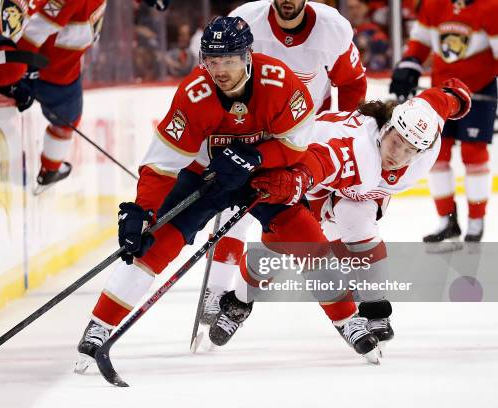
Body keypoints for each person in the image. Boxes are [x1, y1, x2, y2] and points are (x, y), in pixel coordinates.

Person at [74, 16, 382, 371]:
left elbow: (297, 146)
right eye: (212, 60)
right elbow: (162, 163)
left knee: (304, 234)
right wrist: (140, 210)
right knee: (154, 243)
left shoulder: (280, 83)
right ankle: (100, 326)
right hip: (206, 176)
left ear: (248, 56)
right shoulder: (194, 93)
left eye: (229, 60)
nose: (219, 70)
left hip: (263, 175)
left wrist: (256, 157)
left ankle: (348, 319)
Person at [222, 78, 472, 353]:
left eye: (409, 150)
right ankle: (239, 302)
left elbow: (440, 99)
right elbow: (321, 161)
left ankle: (375, 309)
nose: (397, 155)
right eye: (395, 141)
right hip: (312, 173)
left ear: (421, 152)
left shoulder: (426, 132)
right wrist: (296, 179)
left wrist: (457, 96)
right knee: (277, 251)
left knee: (358, 223)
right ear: (387, 127)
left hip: (358, 189)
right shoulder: (360, 148)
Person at [199, 0, 368, 330]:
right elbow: (214, 78)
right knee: (236, 211)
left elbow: (352, 83)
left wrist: (336, 127)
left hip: (300, 136)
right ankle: (216, 290)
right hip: (247, 129)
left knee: (317, 213)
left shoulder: (332, 28)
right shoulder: (245, 20)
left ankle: (346, 282)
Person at [0, 0, 169, 193]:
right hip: (39, 64)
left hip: (63, 71)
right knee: (8, 72)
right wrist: (22, 71)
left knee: (69, 119)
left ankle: (49, 171)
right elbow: (34, 32)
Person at [389, 0, 498, 243]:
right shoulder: (433, 3)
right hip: (441, 92)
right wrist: (410, 63)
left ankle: (476, 221)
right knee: (436, 154)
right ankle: (446, 220)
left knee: (473, 154)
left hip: (479, 91)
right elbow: (422, 40)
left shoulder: (491, 7)